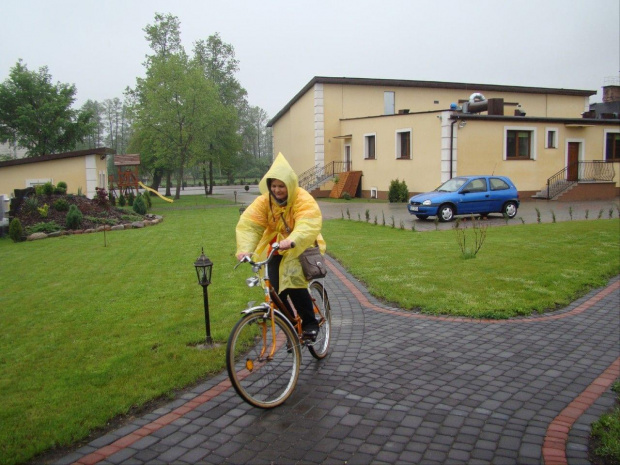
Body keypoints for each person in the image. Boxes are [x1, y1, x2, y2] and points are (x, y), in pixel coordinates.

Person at [236, 153, 326, 340]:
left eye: (281, 186)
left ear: (290, 185)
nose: (277, 190)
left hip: (300, 245)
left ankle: (310, 323)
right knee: (274, 290)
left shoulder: (302, 198)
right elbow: (251, 225)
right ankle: (290, 325)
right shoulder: (264, 202)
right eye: (274, 186)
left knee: (293, 281)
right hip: (276, 248)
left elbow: (308, 222)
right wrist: (245, 249)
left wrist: (293, 239)